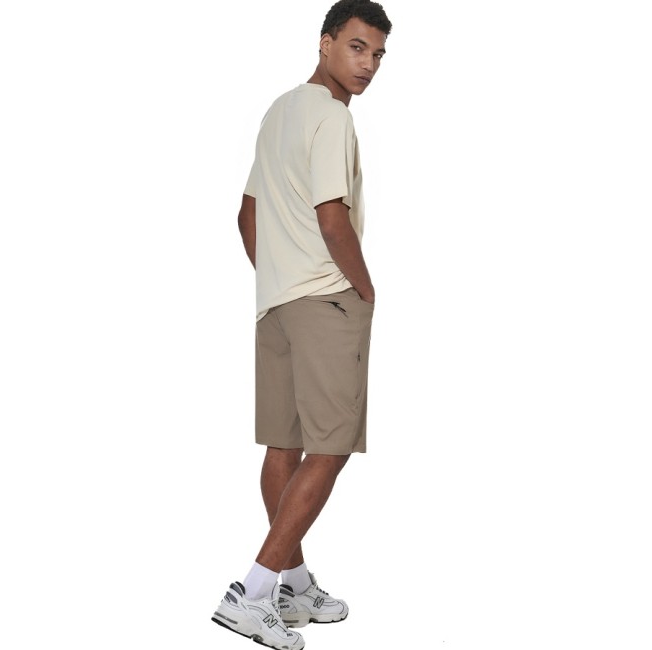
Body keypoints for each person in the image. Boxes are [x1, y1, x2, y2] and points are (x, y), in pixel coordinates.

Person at [210, 1, 392, 648]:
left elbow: (246, 214)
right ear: (325, 43)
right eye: (357, 48)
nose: (368, 65)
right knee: (331, 448)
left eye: (378, 55)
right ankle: (253, 591)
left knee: (283, 449)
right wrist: (364, 290)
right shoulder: (332, 116)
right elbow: (331, 217)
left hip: (277, 304)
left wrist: (277, 276)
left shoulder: (278, 111)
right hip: (325, 302)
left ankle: (292, 582)